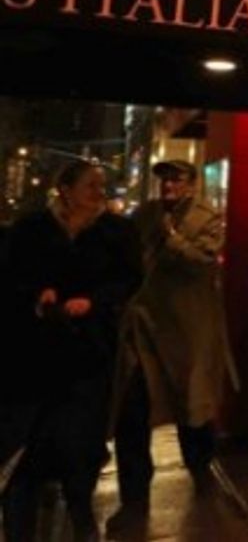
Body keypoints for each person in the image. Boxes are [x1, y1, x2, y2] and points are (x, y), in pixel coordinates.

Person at [1, 162, 139, 542]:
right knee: (27, 445)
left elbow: (128, 278)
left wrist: (94, 301)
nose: (99, 192)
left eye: (101, 185)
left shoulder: (115, 231)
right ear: (65, 189)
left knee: (81, 441)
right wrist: (38, 295)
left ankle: (81, 515)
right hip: (34, 355)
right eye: (90, 185)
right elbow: (11, 275)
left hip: (89, 352)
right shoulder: (31, 229)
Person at [108, 159, 237, 532]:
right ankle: (133, 497)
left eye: (176, 179)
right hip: (144, 328)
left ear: (192, 184)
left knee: (191, 408)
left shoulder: (207, 217)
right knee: (133, 410)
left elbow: (203, 261)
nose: (168, 185)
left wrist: (171, 237)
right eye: (164, 179)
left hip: (186, 332)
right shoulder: (145, 215)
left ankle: (201, 471)